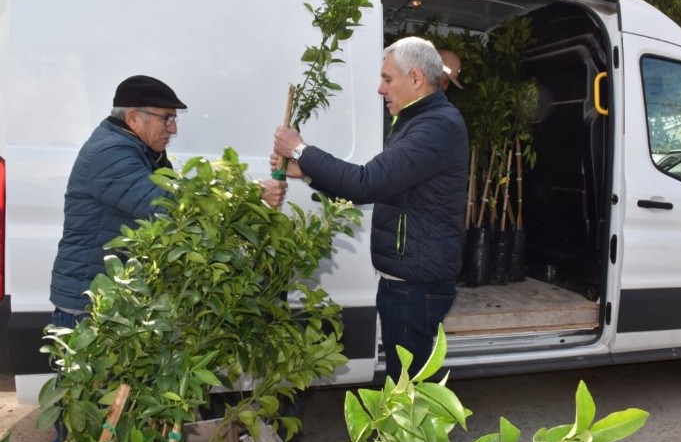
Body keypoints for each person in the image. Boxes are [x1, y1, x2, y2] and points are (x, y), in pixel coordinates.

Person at [273, 36, 469, 382]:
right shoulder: (419, 122)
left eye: (387, 79)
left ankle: (414, 439)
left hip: (416, 284)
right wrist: (305, 173)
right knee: (406, 386)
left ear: (416, 79)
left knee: (410, 392)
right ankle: (406, 437)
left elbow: (366, 182)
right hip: (406, 280)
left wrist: (301, 149)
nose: (381, 89)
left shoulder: (436, 127)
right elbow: (367, 188)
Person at [49, 75, 287, 328]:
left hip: (114, 299)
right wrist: (250, 193)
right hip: (91, 304)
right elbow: (167, 206)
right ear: (133, 118)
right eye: (167, 118)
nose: (173, 129)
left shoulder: (141, 151)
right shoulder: (110, 153)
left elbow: (182, 204)